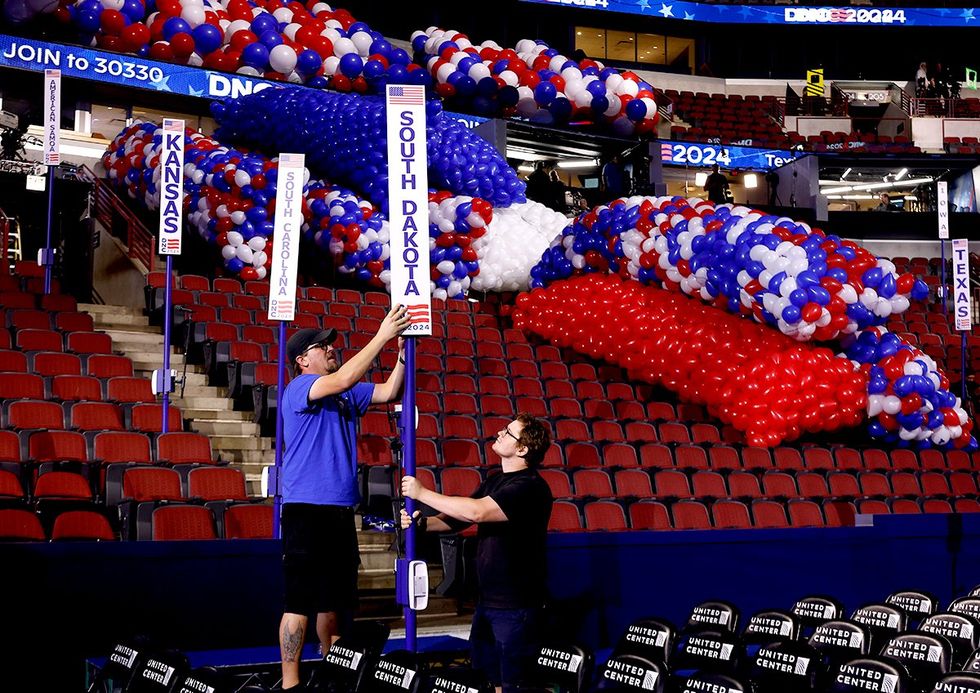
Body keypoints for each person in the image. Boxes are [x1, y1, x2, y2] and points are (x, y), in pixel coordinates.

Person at [278, 305, 411, 691]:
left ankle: (331, 672)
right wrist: (383, 335)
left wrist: (401, 355)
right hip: (306, 509)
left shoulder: (343, 393)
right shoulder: (301, 387)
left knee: (333, 602)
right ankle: (291, 684)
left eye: (330, 344)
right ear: (303, 360)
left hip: (338, 510)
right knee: (299, 602)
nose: (330, 348)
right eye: (322, 346)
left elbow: (388, 391)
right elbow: (345, 376)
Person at [400, 414, 555, 693]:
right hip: (487, 601)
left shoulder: (530, 487)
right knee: (489, 678)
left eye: (508, 432)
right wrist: (422, 523)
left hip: (516, 605)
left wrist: (422, 492)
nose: (499, 433)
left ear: (522, 449)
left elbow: (477, 512)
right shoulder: (496, 481)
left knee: (515, 684)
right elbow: (460, 518)